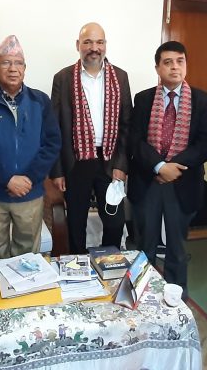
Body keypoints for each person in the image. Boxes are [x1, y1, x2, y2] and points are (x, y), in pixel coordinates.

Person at [128, 41, 207, 292]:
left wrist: (174, 166)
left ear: (186, 65)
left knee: (177, 247)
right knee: (146, 244)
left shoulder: (202, 100)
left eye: (180, 61)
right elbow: (134, 140)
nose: (174, 67)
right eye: (168, 62)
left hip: (183, 182)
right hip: (149, 180)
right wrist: (158, 166)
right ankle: (142, 294)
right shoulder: (143, 99)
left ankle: (175, 298)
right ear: (158, 68)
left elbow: (206, 144)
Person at [0, 35, 61, 259]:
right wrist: (8, 179)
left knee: (27, 258)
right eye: (6, 63)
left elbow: (52, 143)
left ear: (25, 69)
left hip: (29, 192)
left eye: (18, 63)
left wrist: (28, 179)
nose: (12, 69)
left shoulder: (40, 101)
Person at [50, 22, 132, 254]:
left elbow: (127, 124)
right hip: (76, 161)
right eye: (88, 42)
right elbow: (54, 127)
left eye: (99, 42)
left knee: (115, 221)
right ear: (78, 45)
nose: (94, 48)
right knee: (76, 223)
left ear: (105, 45)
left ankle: (108, 264)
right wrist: (57, 171)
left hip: (110, 160)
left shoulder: (120, 77)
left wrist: (121, 165)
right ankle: (78, 268)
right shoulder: (63, 78)